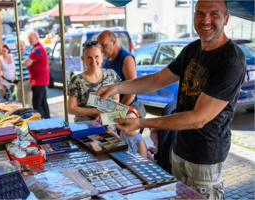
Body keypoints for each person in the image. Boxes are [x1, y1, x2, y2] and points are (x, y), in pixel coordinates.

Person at [96, 1, 246, 199]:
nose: (206, 20)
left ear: (226, 19)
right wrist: (118, 87)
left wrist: (141, 122)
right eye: (200, 13)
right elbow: (157, 79)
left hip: (205, 156)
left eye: (214, 14)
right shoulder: (192, 49)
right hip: (179, 149)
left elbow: (198, 118)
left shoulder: (231, 60)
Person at [67, 41, 147, 157]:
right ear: (82, 59)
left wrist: (105, 113)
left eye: (96, 57)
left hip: (109, 128)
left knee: (111, 160)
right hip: (84, 130)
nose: (93, 61)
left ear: (102, 57)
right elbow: (72, 108)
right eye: (89, 57)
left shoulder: (111, 74)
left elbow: (115, 99)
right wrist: (95, 111)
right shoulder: (76, 80)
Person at [22, 32, 50, 119]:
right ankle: (47, 120)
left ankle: (42, 122)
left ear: (36, 38)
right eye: (28, 38)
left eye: (31, 38)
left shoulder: (37, 49)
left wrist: (25, 60)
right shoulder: (37, 48)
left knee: (37, 104)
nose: (29, 40)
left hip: (38, 80)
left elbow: (26, 63)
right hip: (40, 79)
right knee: (43, 103)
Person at [14, 40, 32, 107]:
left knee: (28, 102)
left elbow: (32, 69)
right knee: (19, 102)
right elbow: (15, 69)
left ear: (25, 46)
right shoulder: (15, 57)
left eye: (21, 45)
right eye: (17, 46)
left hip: (27, 82)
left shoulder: (29, 55)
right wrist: (14, 81)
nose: (20, 47)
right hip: (18, 82)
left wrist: (31, 83)